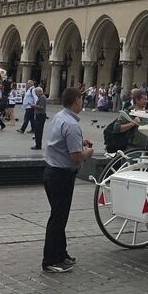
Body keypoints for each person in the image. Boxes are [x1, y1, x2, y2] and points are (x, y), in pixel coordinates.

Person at [41, 87, 93, 273]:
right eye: (82, 99)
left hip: (51, 172)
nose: (83, 102)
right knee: (58, 219)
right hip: (62, 175)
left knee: (59, 216)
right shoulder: (71, 124)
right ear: (76, 100)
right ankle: (50, 260)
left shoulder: (59, 117)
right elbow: (76, 157)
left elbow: (61, 142)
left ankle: (61, 254)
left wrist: (79, 143)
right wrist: (88, 152)